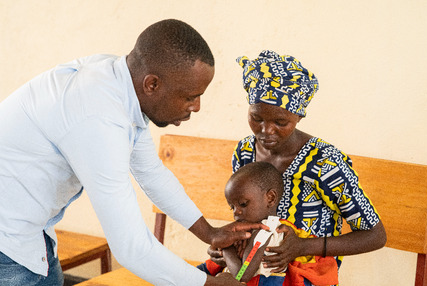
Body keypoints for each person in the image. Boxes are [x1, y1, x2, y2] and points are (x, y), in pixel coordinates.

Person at [0, 19, 265, 286]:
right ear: (152, 85)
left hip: (29, 234)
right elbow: (130, 247)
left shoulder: (117, 82)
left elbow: (151, 173)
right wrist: (209, 284)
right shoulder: (99, 117)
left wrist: (209, 233)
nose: (196, 107)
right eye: (189, 96)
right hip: (7, 243)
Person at [205, 50, 387, 286]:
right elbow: (246, 215)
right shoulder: (245, 152)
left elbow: (375, 235)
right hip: (251, 267)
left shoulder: (325, 162)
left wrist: (302, 246)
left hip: (305, 275)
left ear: (299, 116)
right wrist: (226, 246)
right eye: (256, 118)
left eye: (280, 122)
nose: (265, 131)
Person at [200, 162, 338, 285]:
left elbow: (242, 275)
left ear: (270, 198)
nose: (237, 213)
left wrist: (227, 250)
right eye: (232, 207)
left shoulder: (264, 232)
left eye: (243, 204)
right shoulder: (267, 228)